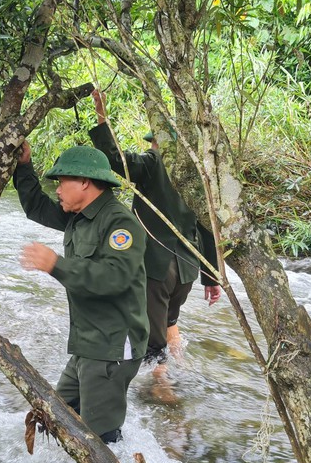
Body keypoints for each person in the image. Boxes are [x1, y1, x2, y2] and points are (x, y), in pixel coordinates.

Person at [14, 140, 149, 444]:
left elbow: (115, 277)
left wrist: (56, 265)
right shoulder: (78, 216)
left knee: (99, 441)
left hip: (111, 346)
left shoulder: (119, 222)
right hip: (89, 343)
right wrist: (24, 166)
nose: (58, 190)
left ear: (85, 182)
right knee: (52, 416)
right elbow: (36, 206)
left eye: (62, 182)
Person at [89, 90, 221, 373]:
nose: (152, 146)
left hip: (157, 269)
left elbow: (115, 162)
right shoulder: (198, 176)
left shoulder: (153, 164)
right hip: (187, 268)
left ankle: (162, 391)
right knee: (169, 321)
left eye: (153, 142)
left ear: (159, 143)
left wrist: (102, 117)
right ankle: (182, 369)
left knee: (152, 338)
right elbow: (207, 228)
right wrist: (212, 278)